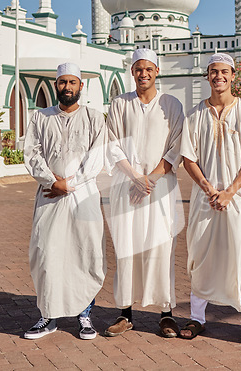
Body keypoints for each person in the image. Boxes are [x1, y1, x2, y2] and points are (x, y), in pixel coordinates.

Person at [179, 53, 241, 345]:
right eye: (214, 71)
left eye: (224, 71)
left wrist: (229, 192)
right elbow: (189, 158)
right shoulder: (195, 115)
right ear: (207, 76)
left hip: (239, 199)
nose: (219, 76)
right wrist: (208, 188)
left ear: (233, 75)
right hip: (205, 199)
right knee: (200, 255)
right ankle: (197, 318)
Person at [23, 63, 107, 340]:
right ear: (56, 86)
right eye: (62, 83)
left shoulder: (95, 118)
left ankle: (85, 316)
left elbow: (97, 157)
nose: (67, 87)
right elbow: (31, 153)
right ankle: (48, 317)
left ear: (81, 86)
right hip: (49, 197)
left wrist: (68, 184)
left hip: (83, 197)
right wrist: (52, 181)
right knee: (46, 253)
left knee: (85, 254)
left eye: (72, 82)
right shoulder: (40, 118)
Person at [104, 49, 184, 338]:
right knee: (127, 248)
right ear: (132, 72)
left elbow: (177, 146)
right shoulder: (120, 104)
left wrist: (150, 178)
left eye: (149, 69)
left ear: (157, 71)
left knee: (161, 249)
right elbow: (111, 143)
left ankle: (166, 314)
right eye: (139, 69)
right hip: (127, 187)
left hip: (160, 188)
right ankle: (125, 313)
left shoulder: (171, 104)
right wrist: (135, 177)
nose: (144, 73)